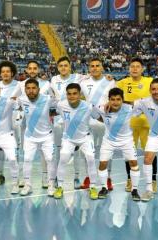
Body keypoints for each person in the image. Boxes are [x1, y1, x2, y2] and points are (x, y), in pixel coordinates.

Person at [116, 57, 158, 193]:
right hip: (128, 126)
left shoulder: (150, 81)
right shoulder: (122, 83)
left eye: (137, 66)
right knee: (129, 154)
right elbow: (113, 95)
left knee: (150, 154)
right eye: (132, 66)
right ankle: (129, 180)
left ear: (142, 69)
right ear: (129, 69)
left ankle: (153, 181)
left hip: (148, 124)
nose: (134, 68)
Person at [53, 83, 99, 200]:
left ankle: (93, 187)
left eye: (75, 93)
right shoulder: (61, 105)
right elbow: (52, 111)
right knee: (63, 158)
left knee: (91, 158)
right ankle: (60, 187)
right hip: (69, 138)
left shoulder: (88, 106)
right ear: (66, 95)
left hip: (85, 137)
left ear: (80, 94)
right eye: (69, 94)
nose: (72, 96)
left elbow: (99, 117)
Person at [95, 88, 140, 201]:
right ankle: (104, 187)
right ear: (108, 100)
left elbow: (146, 103)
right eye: (112, 99)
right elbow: (93, 113)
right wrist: (105, 119)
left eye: (118, 99)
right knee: (102, 164)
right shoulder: (102, 108)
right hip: (109, 141)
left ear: (122, 100)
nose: (115, 102)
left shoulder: (129, 109)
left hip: (127, 141)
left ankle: (134, 189)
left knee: (133, 163)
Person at [50, 56, 87, 189]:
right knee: (59, 150)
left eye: (66, 65)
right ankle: (56, 178)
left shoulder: (78, 77)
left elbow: (93, 77)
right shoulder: (54, 79)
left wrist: (108, 77)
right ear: (57, 68)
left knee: (76, 150)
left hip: (75, 118)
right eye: (61, 66)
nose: (63, 68)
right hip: (59, 118)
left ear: (70, 66)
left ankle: (76, 177)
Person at [80, 57, 116, 190]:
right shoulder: (83, 82)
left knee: (107, 150)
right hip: (88, 120)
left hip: (106, 120)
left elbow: (116, 98)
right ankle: (89, 176)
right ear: (89, 68)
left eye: (97, 65)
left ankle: (107, 178)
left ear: (102, 67)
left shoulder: (110, 81)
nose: (95, 68)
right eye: (92, 66)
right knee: (87, 151)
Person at [17, 78, 56, 196]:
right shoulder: (21, 100)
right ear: (25, 90)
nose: (31, 91)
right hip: (30, 137)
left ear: (39, 89)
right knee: (27, 160)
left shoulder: (48, 99)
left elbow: (61, 107)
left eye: (34, 88)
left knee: (50, 159)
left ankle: (51, 185)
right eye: (28, 88)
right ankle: (28, 185)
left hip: (47, 136)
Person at [0, 61, 21, 186]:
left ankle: (18, 176)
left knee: (16, 148)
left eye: (8, 71)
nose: (5, 74)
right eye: (3, 71)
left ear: (12, 73)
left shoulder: (19, 85)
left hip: (15, 119)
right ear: (0, 73)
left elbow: (22, 102)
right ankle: (0, 174)